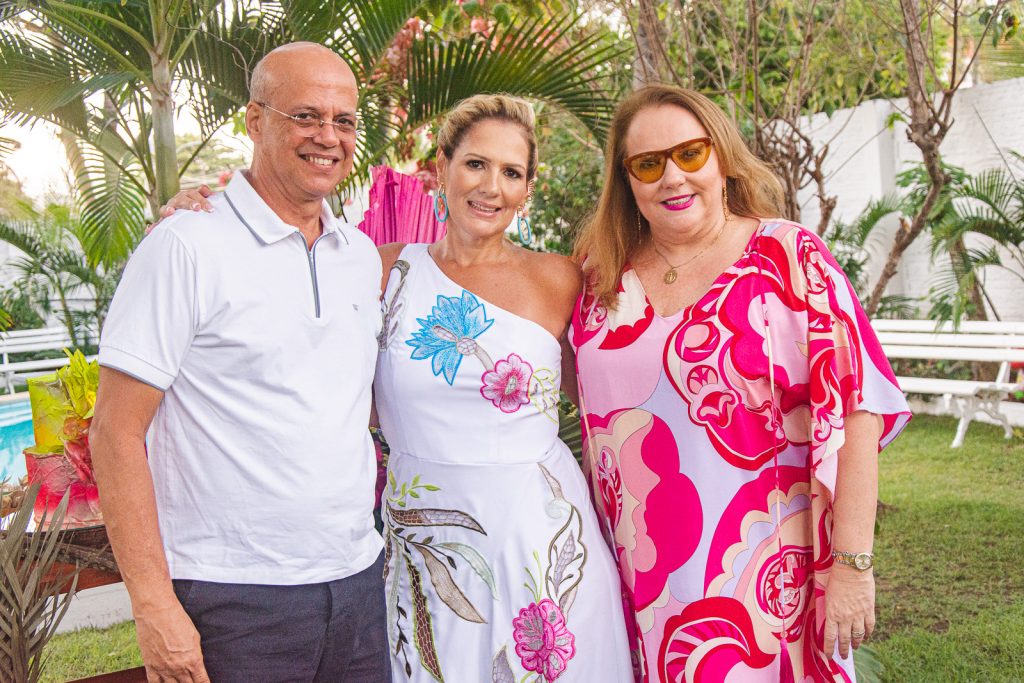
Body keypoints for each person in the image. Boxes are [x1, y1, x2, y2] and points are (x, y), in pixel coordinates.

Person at [160, 94, 634, 682]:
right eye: (476, 164)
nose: (491, 187)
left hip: (543, 537)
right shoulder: (379, 270)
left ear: (528, 188)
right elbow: (277, 299)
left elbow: (607, 389)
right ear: (442, 166)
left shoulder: (560, 278)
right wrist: (202, 214)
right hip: (427, 542)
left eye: (512, 173)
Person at [569, 84, 912, 682]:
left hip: (768, 583)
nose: (672, 177)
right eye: (648, 164)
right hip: (634, 581)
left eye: (690, 153)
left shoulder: (787, 257)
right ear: (626, 180)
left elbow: (858, 410)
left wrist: (852, 565)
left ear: (722, 157)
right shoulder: (600, 276)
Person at [90, 43, 390, 683]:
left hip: (358, 580)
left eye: (343, 120)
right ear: (255, 121)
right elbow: (114, 432)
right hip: (231, 598)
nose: (328, 137)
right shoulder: (186, 244)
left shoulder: (360, 256)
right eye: (305, 116)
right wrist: (153, 605)